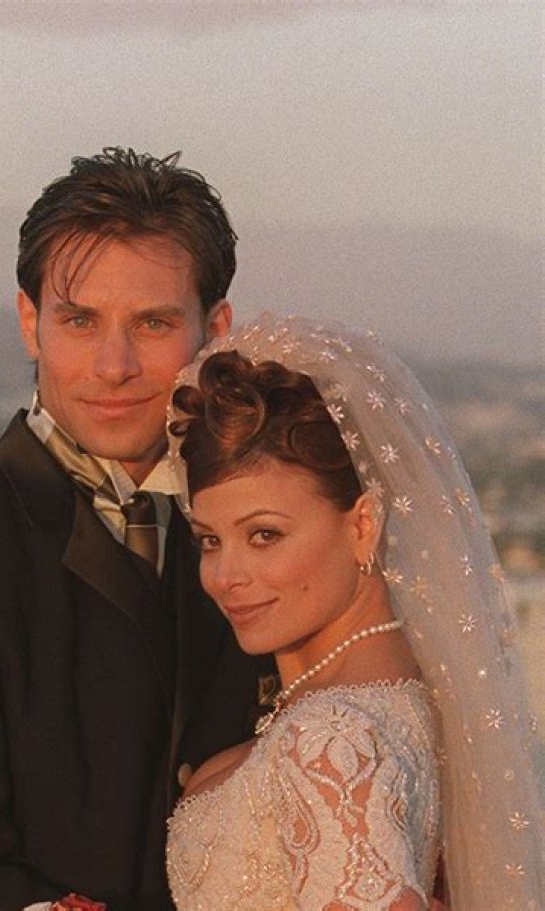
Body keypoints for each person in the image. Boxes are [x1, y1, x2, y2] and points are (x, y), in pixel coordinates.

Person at [0, 149, 268, 911]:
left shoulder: (270, 547)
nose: (114, 364)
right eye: (80, 320)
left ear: (214, 328)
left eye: (153, 322)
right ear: (31, 323)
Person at [165, 314, 543, 910]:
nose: (224, 575)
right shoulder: (411, 700)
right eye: (210, 540)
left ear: (364, 524)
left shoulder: (329, 739)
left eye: (264, 535)